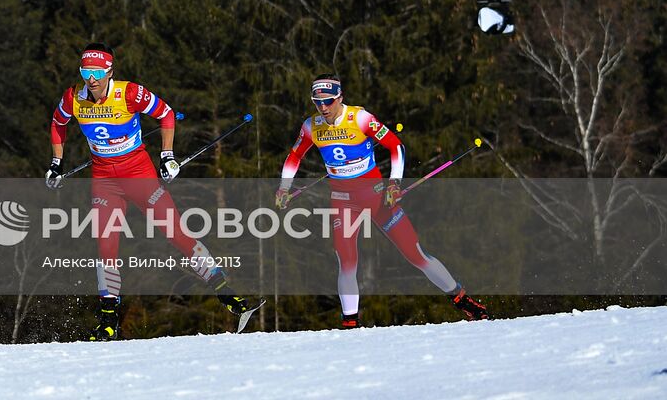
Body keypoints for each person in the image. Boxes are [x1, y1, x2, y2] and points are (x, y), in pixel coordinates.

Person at [46, 42, 262, 340]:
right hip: (105, 180)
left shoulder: (130, 93)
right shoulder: (73, 98)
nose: (91, 78)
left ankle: (229, 295)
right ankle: (109, 321)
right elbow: (57, 124)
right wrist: (56, 163)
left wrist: (168, 156)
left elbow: (167, 114)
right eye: (86, 71)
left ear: (109, 71)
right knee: (106, 245)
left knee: (175, 232)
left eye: (97, 71)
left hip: (139, 174)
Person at [274, 73, 488, 327]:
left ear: (340, 97)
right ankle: (350, 323)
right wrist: (283, 188)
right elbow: (294, 157)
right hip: (343, 200)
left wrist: (394, 183)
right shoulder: (312, 126)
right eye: (317, 102)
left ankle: (462, 300)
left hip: (375, 196)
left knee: (415, 254)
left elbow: (396, 147)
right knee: (346, 259)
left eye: (329, 101)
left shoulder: (360, 118)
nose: (323, 107)